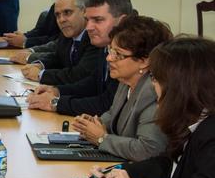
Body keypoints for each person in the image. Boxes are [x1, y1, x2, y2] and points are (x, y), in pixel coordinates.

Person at [89, 37, 215, 178]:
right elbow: (170, 166)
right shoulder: (195, 121)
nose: (152, 85)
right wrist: (117, 172)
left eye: (155, 78)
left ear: (179, 85)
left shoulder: (210, 136)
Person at [71, 15, 172, 161]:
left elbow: (148, 149)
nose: (109, 58)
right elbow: (113, 114)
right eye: (110, 50)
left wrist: (101, 138)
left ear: (144, 61)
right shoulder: (126, 80)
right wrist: (95, 123)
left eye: (118, 54)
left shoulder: (154, 91)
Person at [27, 0, 133, 116]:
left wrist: (56, 103)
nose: (88, 27)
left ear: (122, 21)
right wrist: (57, 90)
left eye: (98, 20)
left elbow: (107, 104)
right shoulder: (105, 46)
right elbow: (92, 84)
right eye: (88, 20)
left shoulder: (131, 57)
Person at [18, 0, 102, 85]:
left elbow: (79, 74)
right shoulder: (67, 33)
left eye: (67, 12)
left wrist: (41, 75)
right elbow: (58, 58)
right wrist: (40, 65)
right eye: (57, 15)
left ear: (84, 12)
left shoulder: (94, 38)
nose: (61, 20)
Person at [9, 0, 90, 64]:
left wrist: (42, 73)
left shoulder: (93, 30)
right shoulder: (57, 9)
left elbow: (80, 73)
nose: (62, 19)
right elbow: (58, 49)